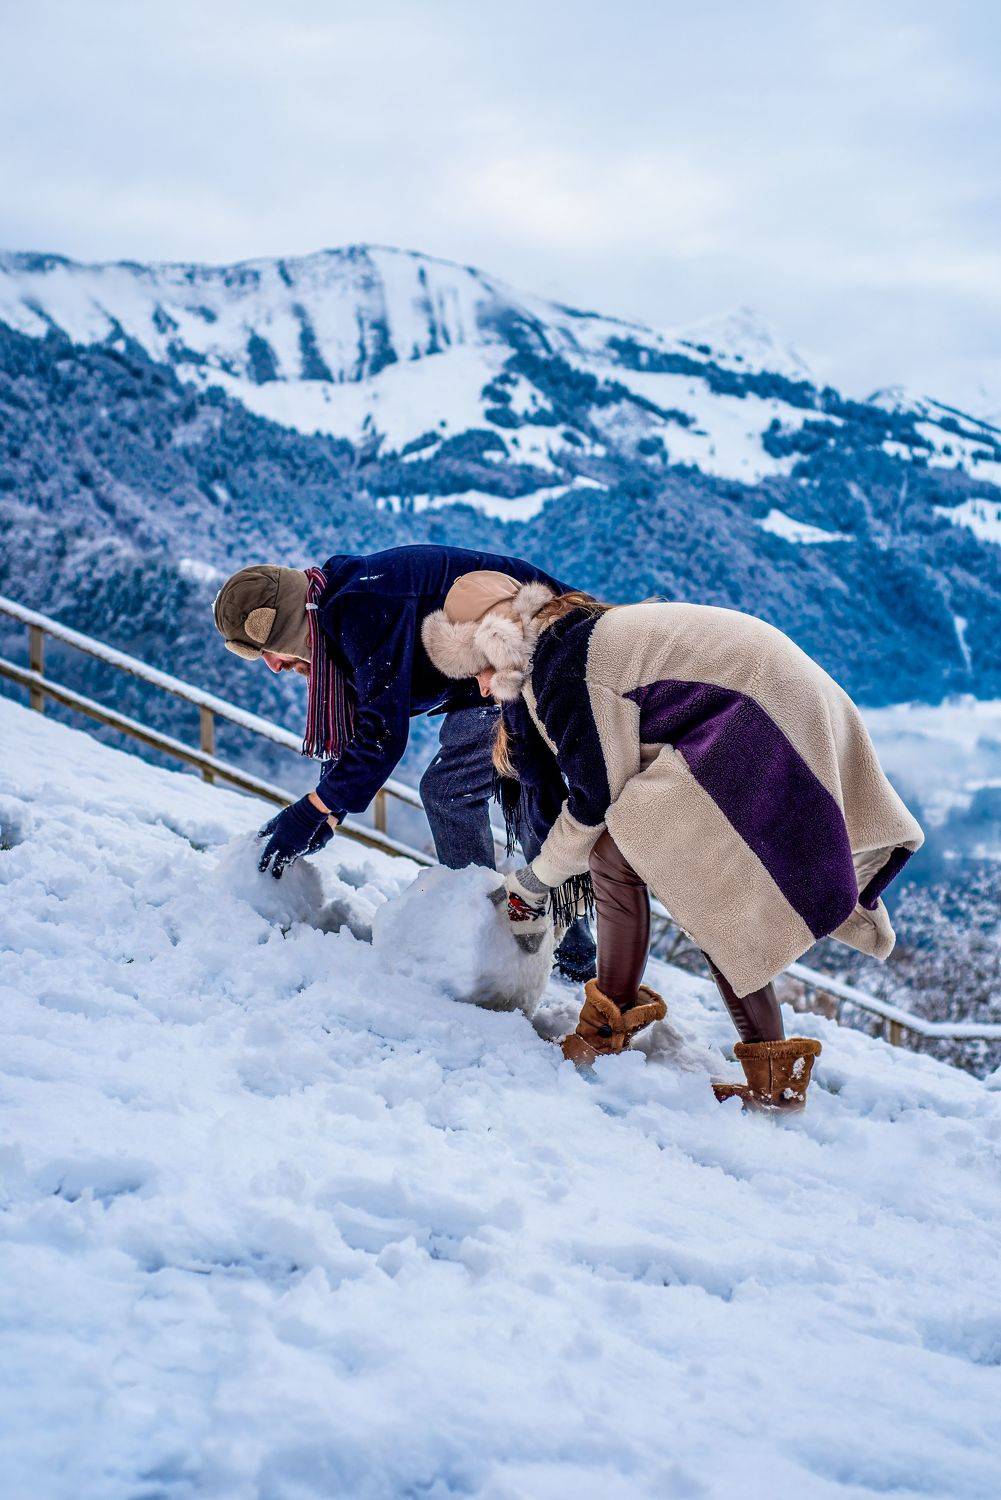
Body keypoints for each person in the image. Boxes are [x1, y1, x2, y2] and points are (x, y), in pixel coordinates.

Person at [421, 573, 925, 1111]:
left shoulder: (561, 671)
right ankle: (764, 1070)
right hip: (775, 695)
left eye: (479, 668)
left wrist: (535, 881)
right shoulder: (563, 639)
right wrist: (550, 880)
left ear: (500, 643)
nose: (480, 688)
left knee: (652, 865)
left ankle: (613, 1033)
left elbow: (594, 799)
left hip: (755, 710)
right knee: (674, 873)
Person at [211, 545, 597, 981]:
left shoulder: (360, 608)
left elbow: (381, 735)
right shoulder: (335, 610)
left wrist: (313, 809)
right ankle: (560, 950)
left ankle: (487, 937)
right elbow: (358, 727)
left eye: (268, 650)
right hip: (486, 675)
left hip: (533, 653)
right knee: (509, 791)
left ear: (283, 628)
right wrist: (327, 814)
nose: (274, 666)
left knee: (452, 791)